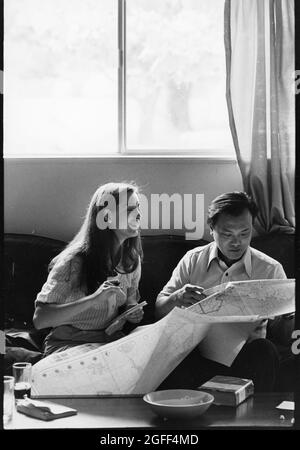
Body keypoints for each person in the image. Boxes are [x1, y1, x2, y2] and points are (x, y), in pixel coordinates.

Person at [155, 191, 287, 391]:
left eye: (245, 233)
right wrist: (177, 297)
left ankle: (255, 419)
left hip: (247, 359)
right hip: (198, 356)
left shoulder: (270, 269)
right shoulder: (193, 260)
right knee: (174, 349)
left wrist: (279, 312)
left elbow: (284, 324)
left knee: (264, 350)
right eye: (227, 234)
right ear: (211, 229)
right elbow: (159, 309)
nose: (237, 242)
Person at [33, 182, 144, 356]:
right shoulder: (73, 262)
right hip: (69, 343)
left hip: (108, 341)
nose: (138, 214)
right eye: (130, 210)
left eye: (138, 207)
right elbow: (40, 319)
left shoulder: (131, 260)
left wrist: (132, 310)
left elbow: (130, 300)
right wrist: (93, 299)